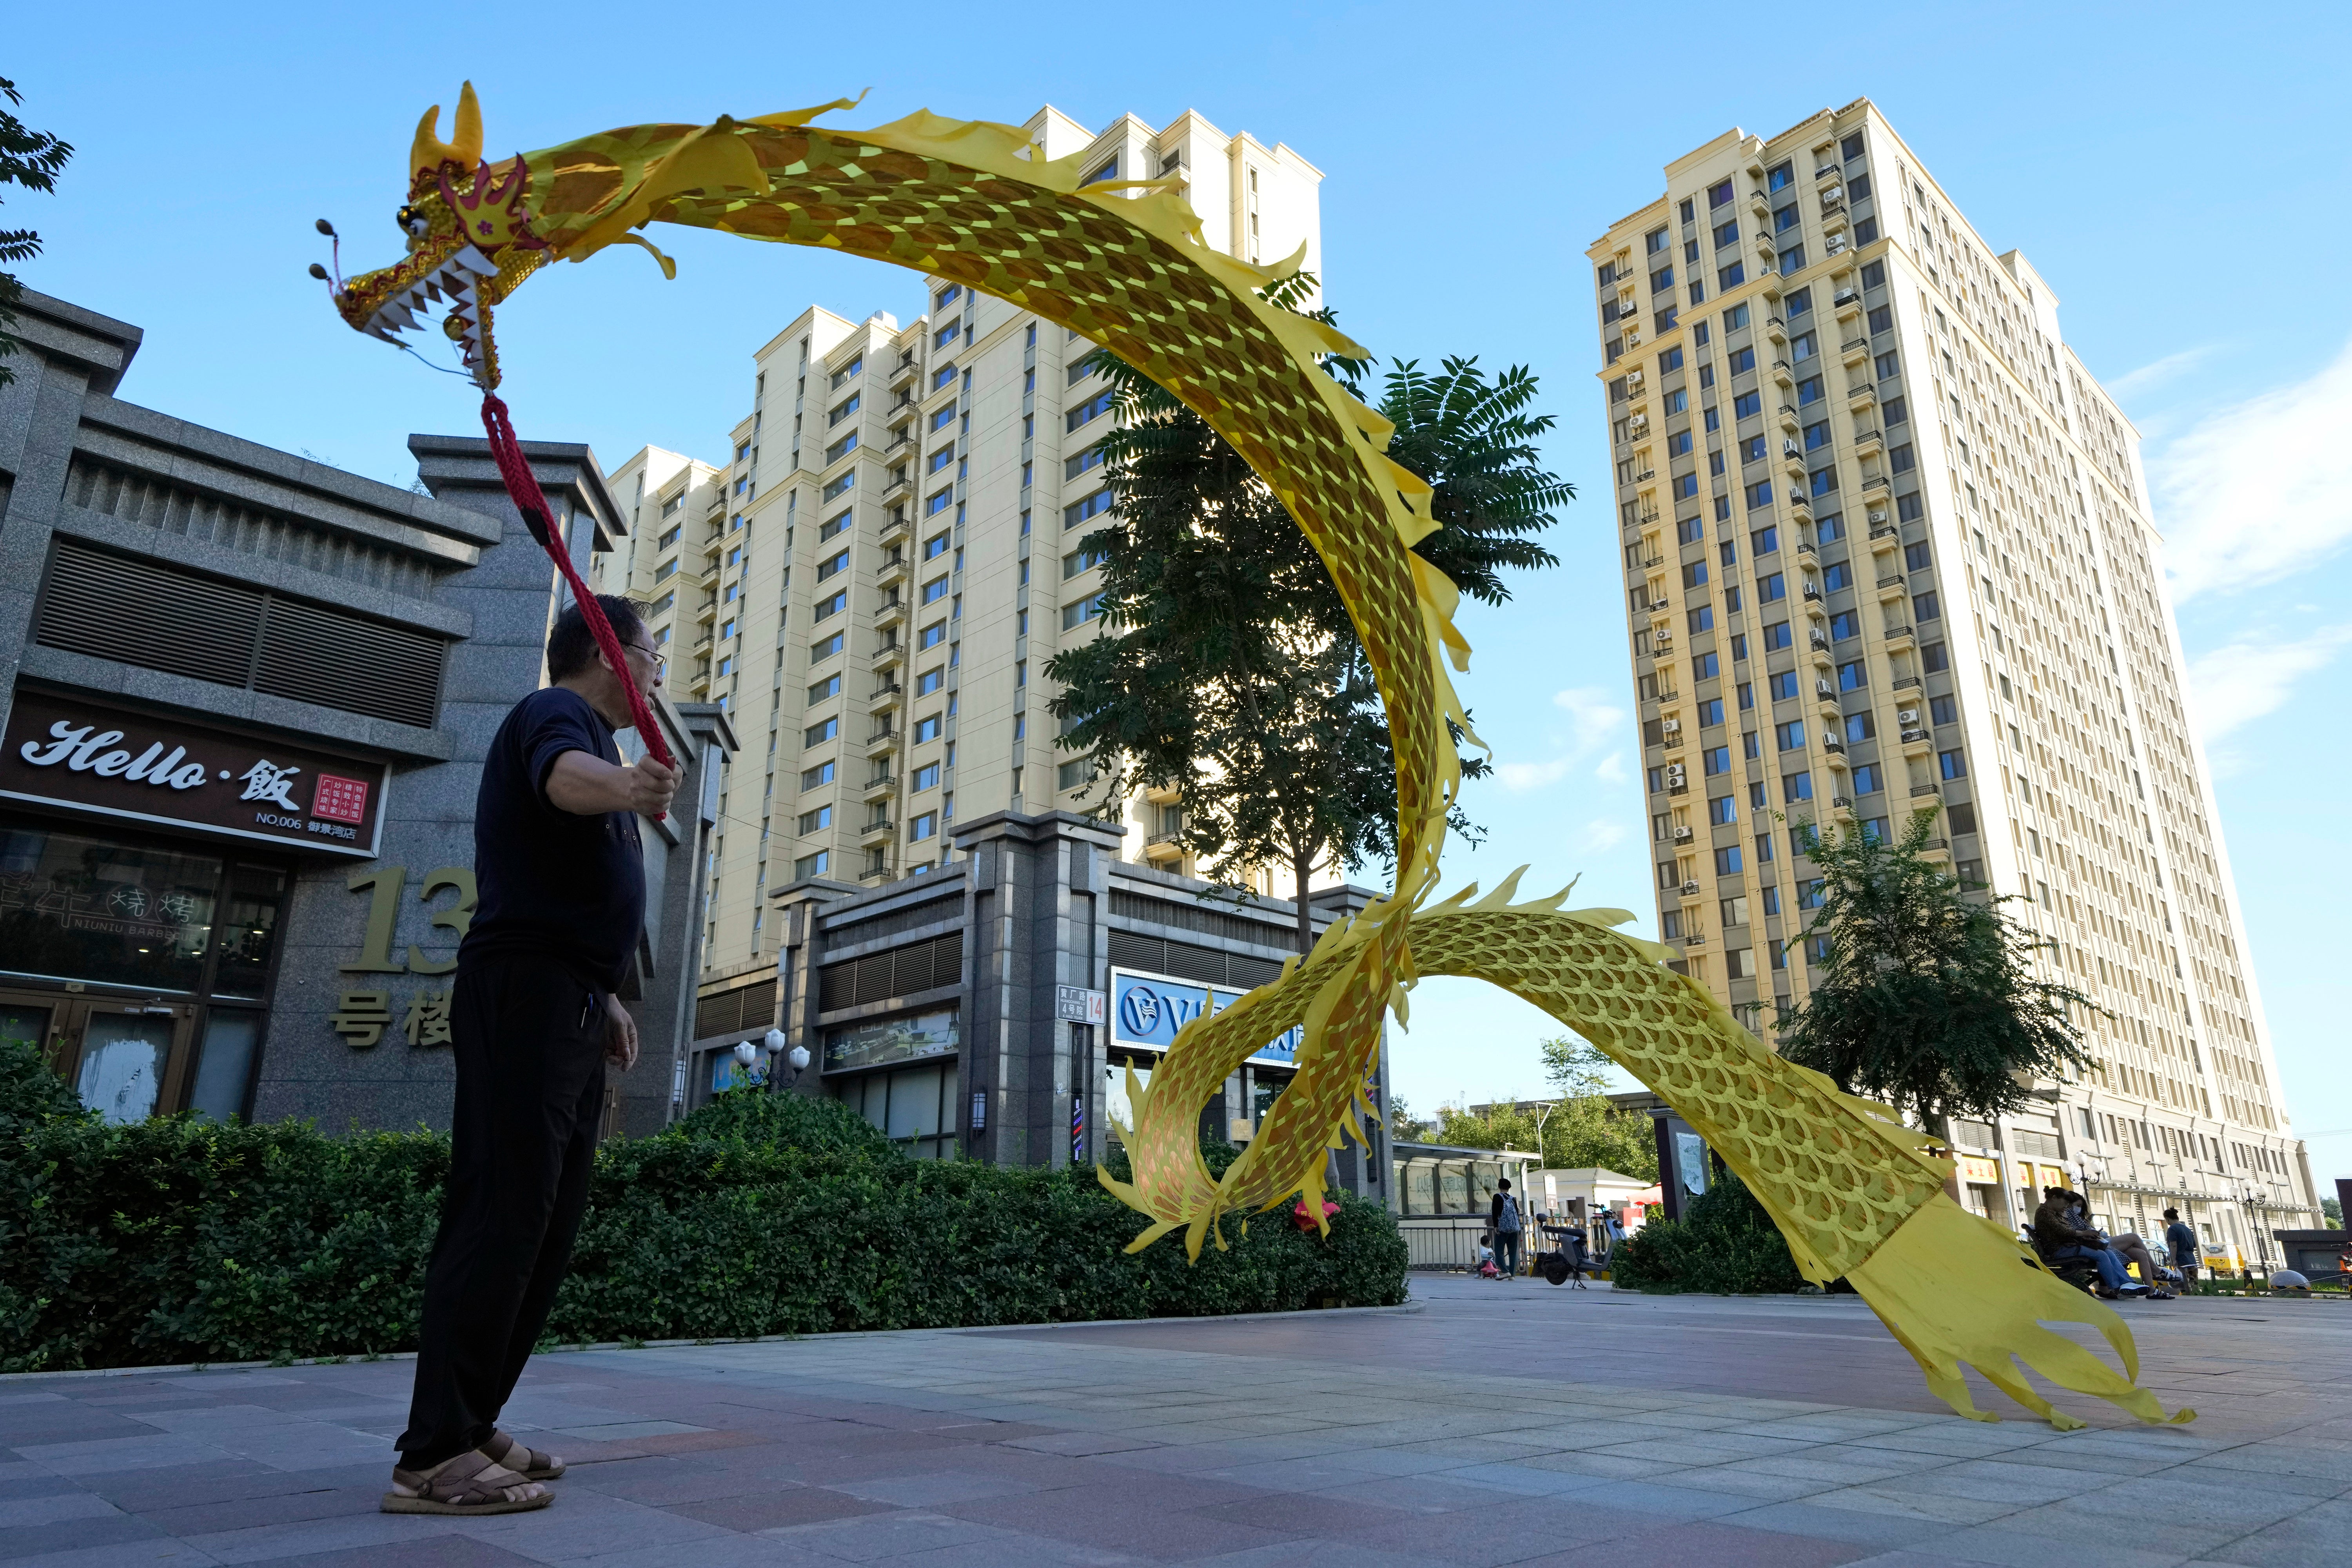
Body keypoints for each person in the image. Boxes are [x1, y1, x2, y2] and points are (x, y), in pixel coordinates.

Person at [385, 596, 678, 1516]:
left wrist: (611, 1000)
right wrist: (628, 785)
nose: (660, 675)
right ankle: (431, 1455)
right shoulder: (558, 717)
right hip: (524, 990)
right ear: (606, 652)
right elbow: (562, 781)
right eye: (651, 656)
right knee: (502, 1212)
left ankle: (471, 1423)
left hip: (571, 999)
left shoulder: (598, 737)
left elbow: (587, 885)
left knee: (546, 1224)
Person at [2032, 1187, 2143, 1299]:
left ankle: (2128, 1284)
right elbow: (2063, 1231)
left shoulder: (2054, 1212)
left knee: (2108, 1253)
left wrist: (2086, 1235)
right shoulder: (2044, 1212)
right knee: (2101, 1255)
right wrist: (2084, 1233)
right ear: (2054, 1198)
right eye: (2065, 1203)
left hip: (2070, 1246)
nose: (2065, 1206)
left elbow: (2067, 1229)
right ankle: (2117, 1288)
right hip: (2060, 1249)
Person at [2071, 1195, 2176, 1298]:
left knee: (2141, 1253)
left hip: (2100, 1243)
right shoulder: (2067, 1218)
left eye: (2081, 1206)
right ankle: (2156, 1271)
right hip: (2096, 1245)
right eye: (2078, 1205)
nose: (2079, 1209)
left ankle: (2151, 1291)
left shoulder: (2079, 1219)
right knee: (2134, 1237)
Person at [1490, 1179, 1524, 1280]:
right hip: (1514, 1228)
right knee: (1513, 1252)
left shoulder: (1497, 1197)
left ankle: (1505, 1272)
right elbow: (1517, 1214)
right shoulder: (1513, 1199)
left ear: (1499, 1187)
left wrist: (1496, 1226)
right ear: (1509, 1188)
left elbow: (1495, 1212)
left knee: (1499, 1250)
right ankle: (1513, 1275)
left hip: (1503, 1228)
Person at [2163, 1208, 2200, 1287]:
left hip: (2181, 1259)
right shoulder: (2187, 1229)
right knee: (2193, 1283)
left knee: (2184, 1283)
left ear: (2167, 1219)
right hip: (2191, 1259)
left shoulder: (2172, 1229)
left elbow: (2174, 1245)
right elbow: (2194, 1245)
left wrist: (2173, 1260)